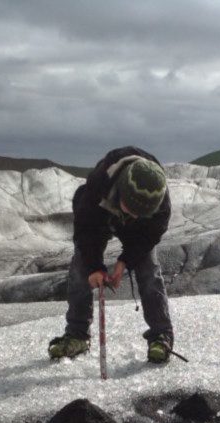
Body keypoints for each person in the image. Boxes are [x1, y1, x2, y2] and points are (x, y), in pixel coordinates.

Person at [48, 146, 175, 364]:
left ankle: (161, 336)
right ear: (121, 190)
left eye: (140, 213)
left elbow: (150, 235)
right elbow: (86, 230)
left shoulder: (159, 201)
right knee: (80, 268)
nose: (134, 214)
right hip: (102, 215)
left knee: (148, 270)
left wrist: (125, 261)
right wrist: (94, 267)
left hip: (137, 228)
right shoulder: (99, 183)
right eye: (131, 208)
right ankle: (77, 335)